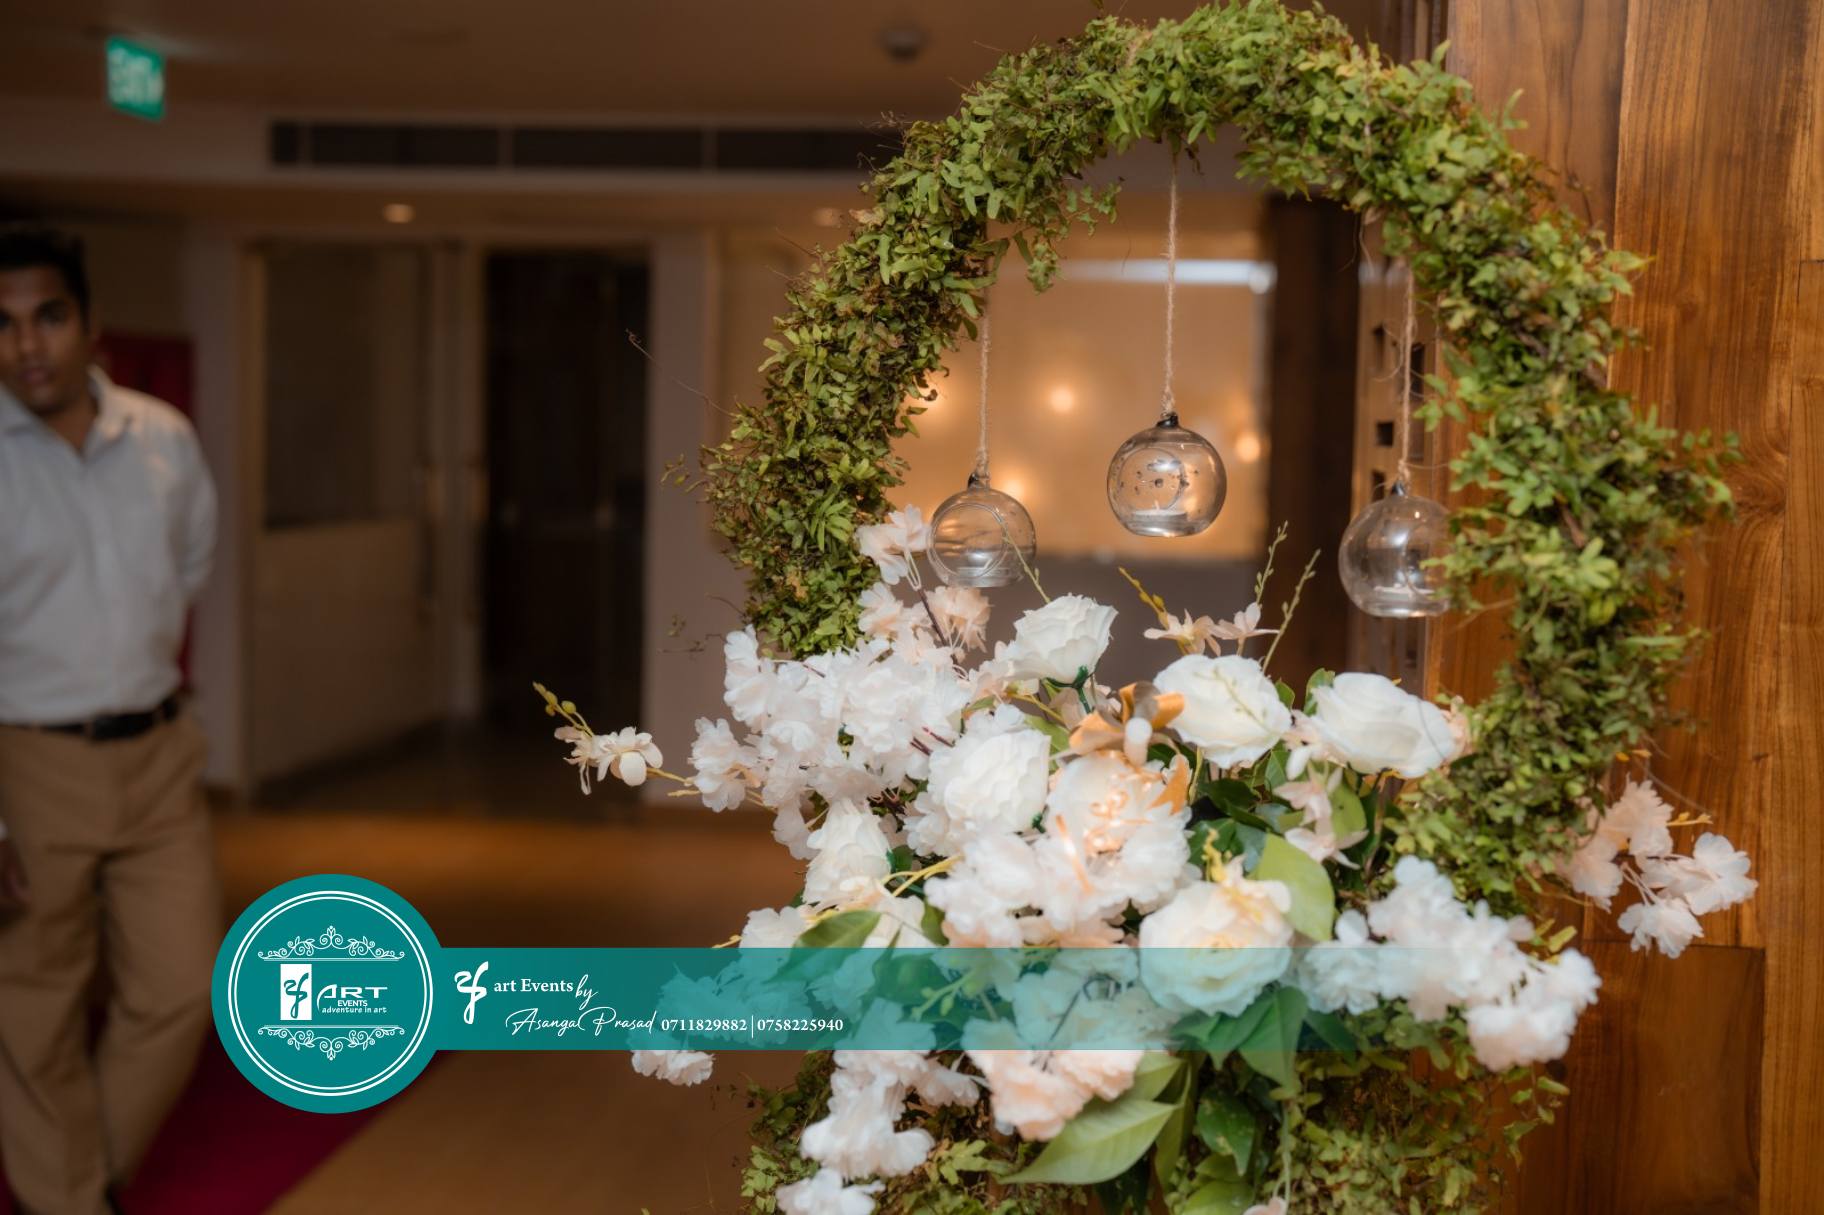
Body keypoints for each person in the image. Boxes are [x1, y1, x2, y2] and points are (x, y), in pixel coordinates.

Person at [0, 226, 221, 1215]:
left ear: (90, 325)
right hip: (27, 761)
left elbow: (190, 567)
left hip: (159, 752)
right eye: (2, 324)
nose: (27, 344)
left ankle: (77, 1182)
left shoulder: (163, 436)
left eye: (48, 315)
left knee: (185, 984)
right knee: (33, 1009)